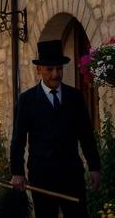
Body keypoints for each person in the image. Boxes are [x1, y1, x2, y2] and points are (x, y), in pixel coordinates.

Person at [9, 40, 101, 217]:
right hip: (42, 176)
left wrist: (94, 167)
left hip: (72, 174)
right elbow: (18, 139)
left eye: (58, 68)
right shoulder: (27, 100)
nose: (55, 74)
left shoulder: (74, 97)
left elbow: (86, 135)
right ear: (39, 70)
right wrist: (17, 172)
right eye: (49, 69)